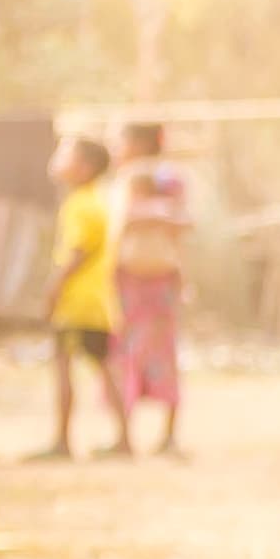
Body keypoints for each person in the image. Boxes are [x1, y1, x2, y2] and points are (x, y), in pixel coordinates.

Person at [35, 136, 130, 461]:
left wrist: (54, 288)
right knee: (104, 366)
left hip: (77, 303)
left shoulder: (81, 204)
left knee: (65, 366)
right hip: (96, 301)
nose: (58, 159)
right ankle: (124, 438)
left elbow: (77, 252)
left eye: (67, 154)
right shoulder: (96, 200)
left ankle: (63, 440)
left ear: (85, 167)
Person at [106, 120, 192, 455]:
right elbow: (115, 225)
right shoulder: (124, 180)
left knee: (162, 354)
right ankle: (124, 434)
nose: (117, 149)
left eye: (122, 142)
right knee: (124, 355)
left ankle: (167, 436)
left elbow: (185, 222)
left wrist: (150, 216)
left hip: (161, 281)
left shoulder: (169, 178)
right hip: (127, 281)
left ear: (140, 143)